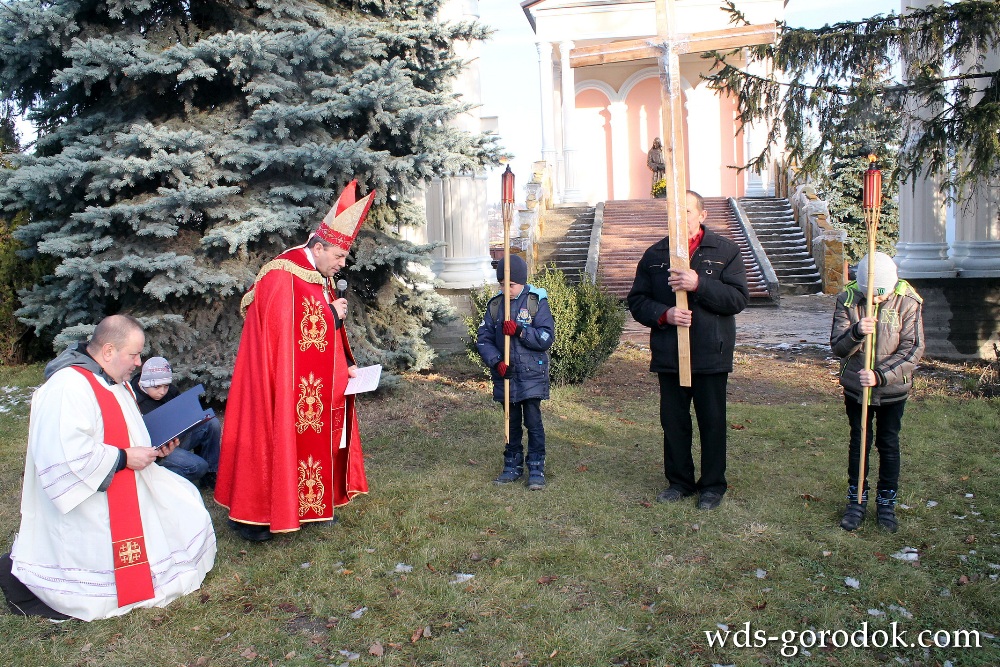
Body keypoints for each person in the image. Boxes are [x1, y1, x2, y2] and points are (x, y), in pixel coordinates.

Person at [2, 315, 216, 621]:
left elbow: (124, 427)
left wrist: (156, 446)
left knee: (186, 502)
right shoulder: (67, 387)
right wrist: (125, 458)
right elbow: (64, 455)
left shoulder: (111, 378)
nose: (139, 362)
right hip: (91, 498)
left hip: (131, 478)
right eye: (133, 354)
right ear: (108, 351)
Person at [215, 181, 373, 542]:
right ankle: (256, 517)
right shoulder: (281, 274)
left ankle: (309, 505)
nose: (341, 263)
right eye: (338, 256)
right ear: (318, 247)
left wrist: (344, 365)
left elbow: (320, 333)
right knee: (270, 440)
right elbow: (284, 337)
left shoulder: (318, 276)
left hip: (307, 383)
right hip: (273, 383)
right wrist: (329, 316)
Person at [627, 190, 750, 510]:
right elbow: (637, 301)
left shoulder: (725, 251)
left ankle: (712, 485)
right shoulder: (655, 255)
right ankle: (679, 481)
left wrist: (699, 285)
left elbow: (737, 299)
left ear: (702, 215)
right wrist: (664, 315)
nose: (679, 218)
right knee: (674, 421)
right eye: (673, 212)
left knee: (712, 421)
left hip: (711, 352)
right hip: (670, 354)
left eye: (686, 211)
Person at [831, 251, 925, 533]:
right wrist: (857, 331)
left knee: (888, 443)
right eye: (870, 296)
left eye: (879, 297)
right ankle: (856, 500)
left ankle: (886, 503)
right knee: (859, 441)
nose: (874, 301)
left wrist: (880, 375)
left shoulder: (908, 302)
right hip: (857, 389)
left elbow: (913, 348)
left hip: (892, 388)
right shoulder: (848, 299)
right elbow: (837, 347)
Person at [476, 254, 555, 489]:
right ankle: (511, 465)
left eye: (510, 284)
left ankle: (536, 467)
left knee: (533, 422)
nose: (506, 289)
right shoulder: (495, 306)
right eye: (502, 284)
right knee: (510, 423)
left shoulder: (535, 302)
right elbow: (484, 339)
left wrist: (521, 331)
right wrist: (497, 362)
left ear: (521, 282)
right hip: (506, 376)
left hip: (531, 375)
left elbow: (545, 338)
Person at [131, 356, 221, 489]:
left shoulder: (169, 391)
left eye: (166, 386)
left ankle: (210, 475)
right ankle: (161, 486)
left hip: (177, 438)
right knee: (198, 466)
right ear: (145, 383)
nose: (162, 391)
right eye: (156, 387)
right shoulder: (133, 400)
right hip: (158, 453)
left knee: (211, 424)